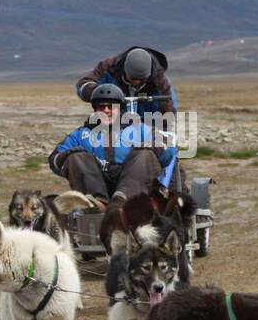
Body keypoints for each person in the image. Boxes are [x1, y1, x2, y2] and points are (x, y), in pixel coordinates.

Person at [48, 83, 176, 207]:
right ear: (95, 109)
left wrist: (152, 147)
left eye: (111, 106)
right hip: (94, 186)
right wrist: (68, 156)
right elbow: (54, 159)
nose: (106, 110)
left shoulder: (139, 129)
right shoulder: (82, 134)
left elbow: (169, 148)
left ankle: (122, 202)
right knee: (75, 157)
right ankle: (96, 204)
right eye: (101, 107)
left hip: (134, 190)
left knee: (144, 154)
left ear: (119, 108)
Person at [75, 46, 177, 117]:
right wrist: (98, 92)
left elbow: (167, 114)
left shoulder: (160, 82)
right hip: (111, 122)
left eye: (142, 79)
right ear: (124, 70)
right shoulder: (109, 67)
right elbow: (83, 84)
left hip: (149, 126)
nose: (136, 82)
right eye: (132, 78)